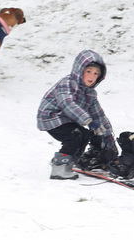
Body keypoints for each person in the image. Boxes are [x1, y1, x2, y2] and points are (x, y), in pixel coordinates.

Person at [36, 49, 116, 180]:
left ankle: (72, 160)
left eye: (96, 74)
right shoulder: (67, 84)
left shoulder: (90, 93)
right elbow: (68, 104)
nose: (92, 76)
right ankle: (59, 167)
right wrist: (88, 121)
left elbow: (99, 115)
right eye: (88, 72)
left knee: (85, 135)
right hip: (51, 118)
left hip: (67, 120)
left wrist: (107, 139)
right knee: (75, 136)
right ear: (79, 70)